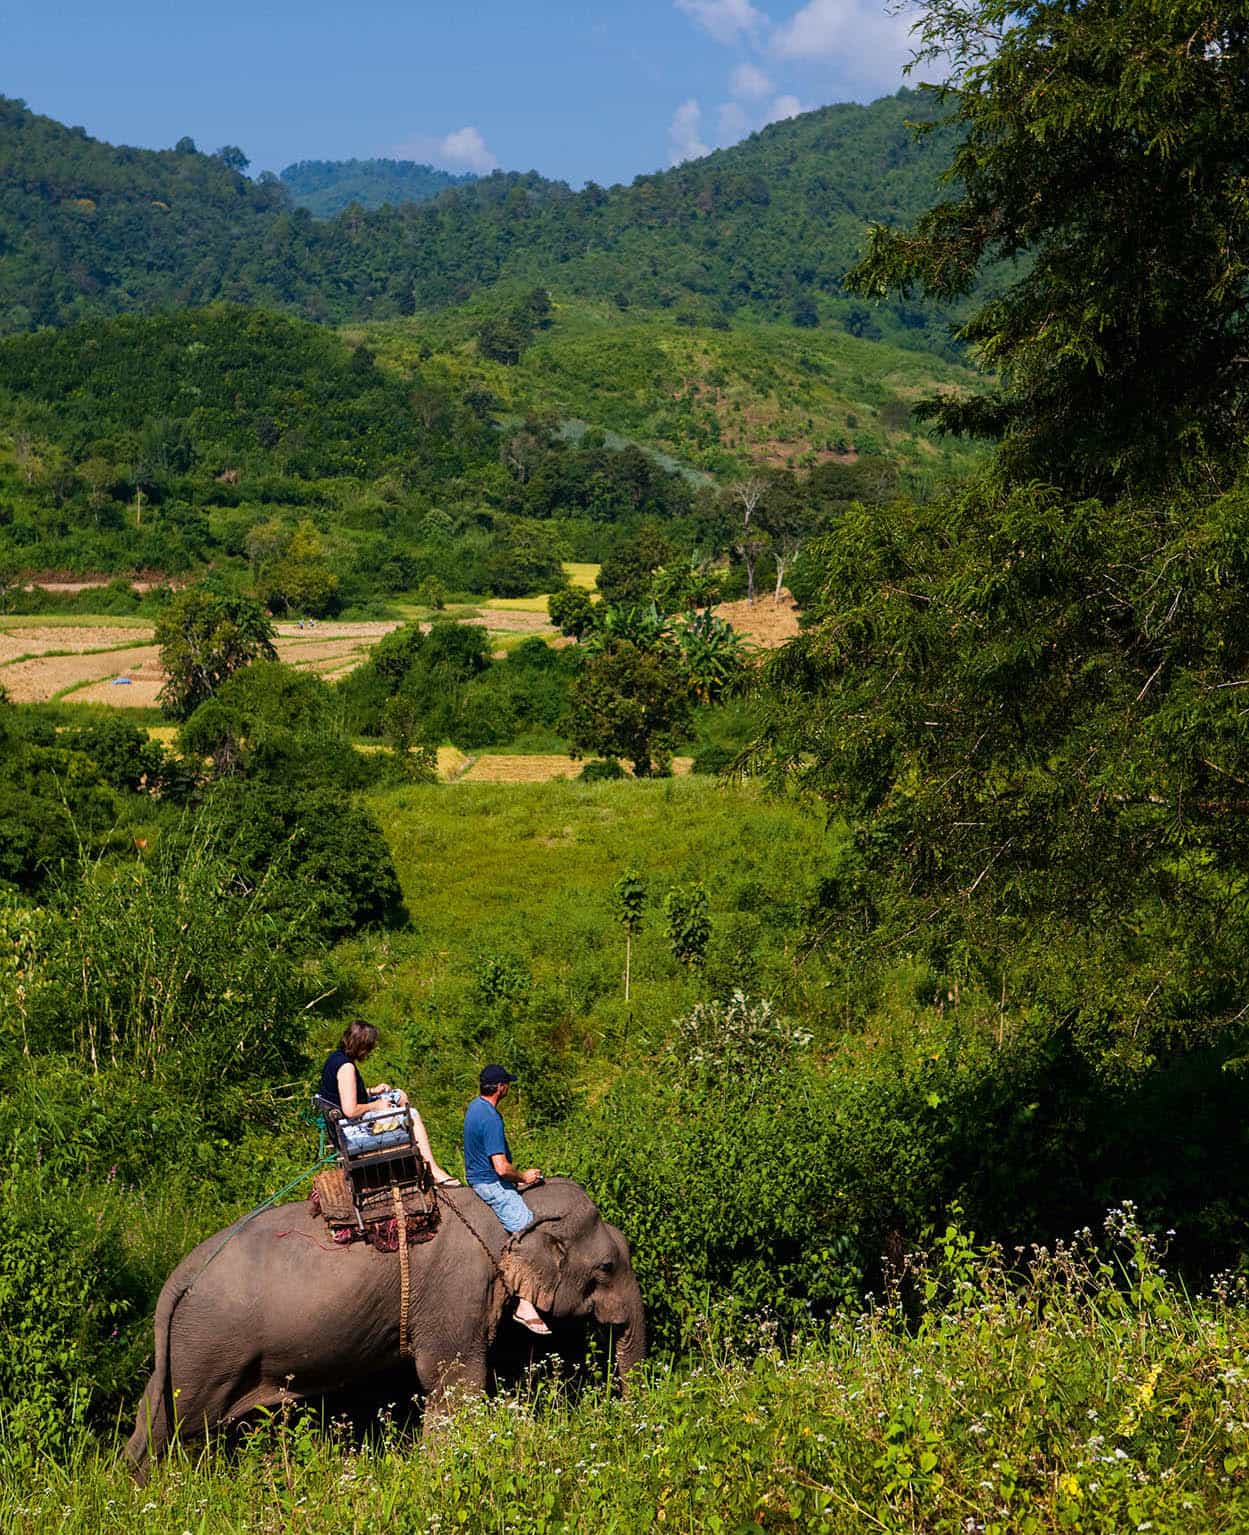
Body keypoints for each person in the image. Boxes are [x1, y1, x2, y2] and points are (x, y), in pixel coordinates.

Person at [463, 1064, 550, 1335]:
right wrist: (524, 1176)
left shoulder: (474, 1107)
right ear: (501, 1087)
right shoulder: (491, 1118)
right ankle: (524, 1303)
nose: (507, 1088)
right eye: (507, 1084)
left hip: (476, 1176)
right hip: (491, 1184)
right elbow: (501, 1167)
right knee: (529, 1231)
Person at [320, 1019, 459, 1187]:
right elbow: (350, 1110)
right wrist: (376, 1105)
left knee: (399, 1095)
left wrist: (372, 1092)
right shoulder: (346, 1067)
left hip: (345, 1123)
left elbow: (342, 1094)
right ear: (362, 1046)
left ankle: (415, 1159)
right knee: (412, 1114)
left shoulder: (336, 1058)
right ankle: (434, 1171)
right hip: (353, 1129)